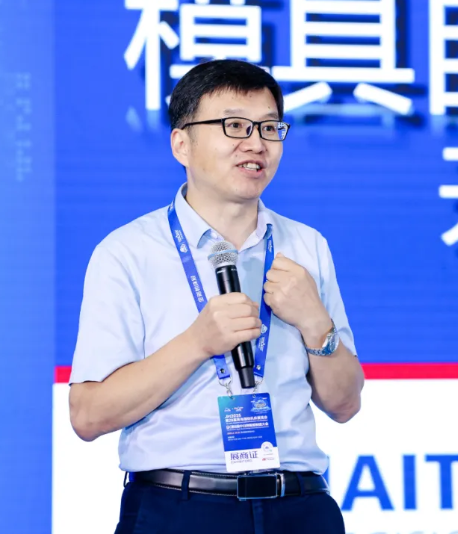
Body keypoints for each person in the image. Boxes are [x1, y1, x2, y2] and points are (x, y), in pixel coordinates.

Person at [68, 59, 364, 534]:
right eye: (234, 126)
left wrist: (315, 323)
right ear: (181, 144)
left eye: (269, 127)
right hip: (180, 508)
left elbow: (345, 405)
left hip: (300, 506)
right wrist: (197, 342)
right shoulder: (127, 252)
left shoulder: (306, 246)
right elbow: (88, 415)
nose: (256, 144)